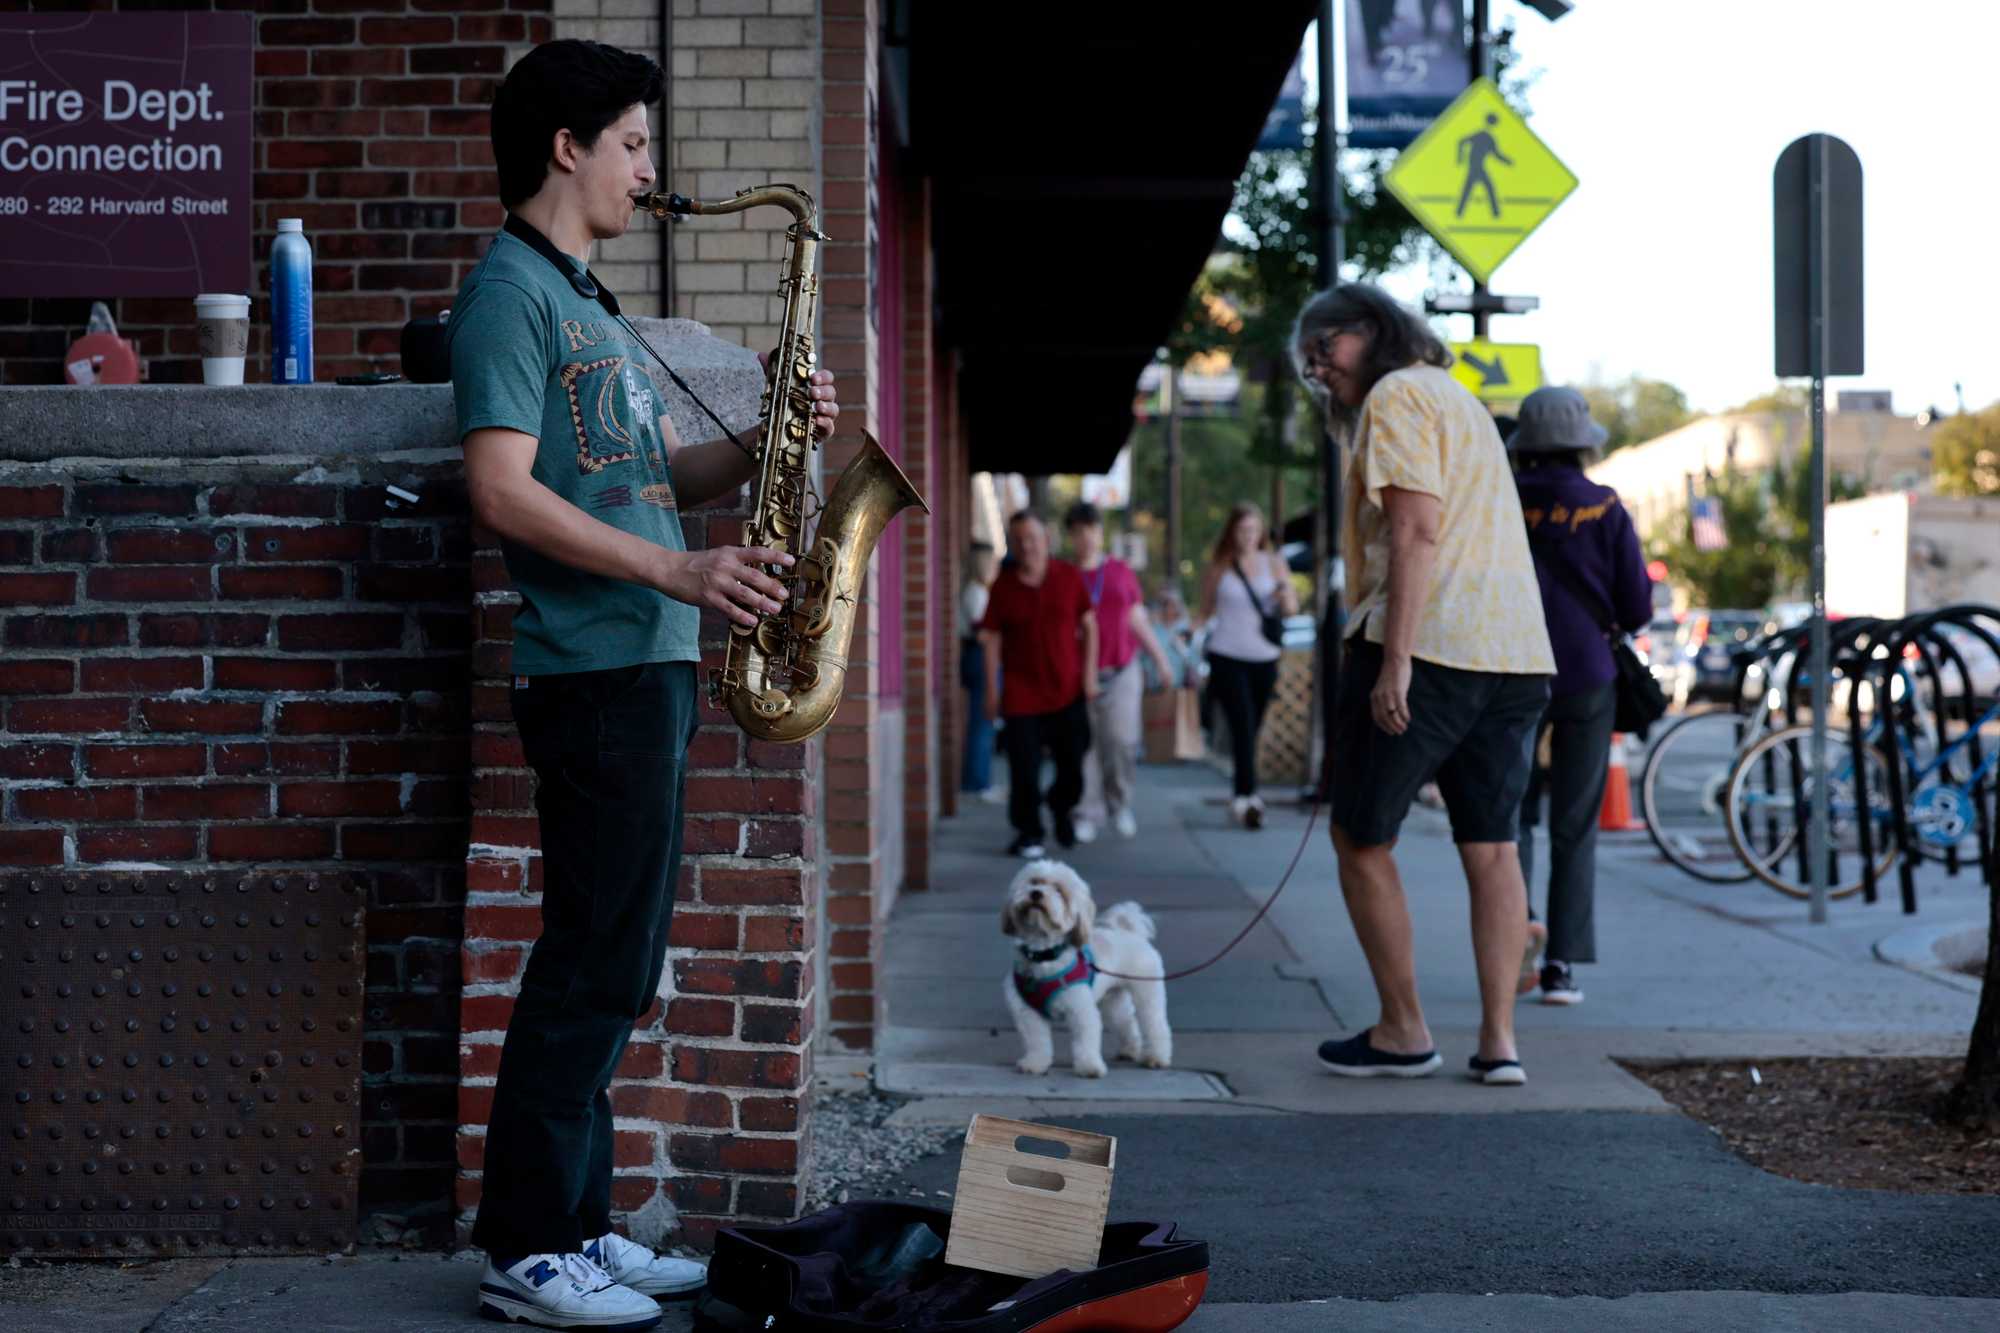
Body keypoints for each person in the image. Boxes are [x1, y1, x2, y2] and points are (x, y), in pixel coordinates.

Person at [448, 40, 841, 1331]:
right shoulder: (511, 294)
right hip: (595, 668)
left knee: (619, 962)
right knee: (586, 964)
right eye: (632, 143)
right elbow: (501, 491)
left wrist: (776, 421)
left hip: (645, 666)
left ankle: (577, 1224)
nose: (649, 170)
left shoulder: (589, 304)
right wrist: (679, 580)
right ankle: (522, 1247)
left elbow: (656, 483)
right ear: (567, 149)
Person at [1294, 283, 1555, 1088]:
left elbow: (1415, 528)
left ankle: (1404, 1030)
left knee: (1360, 835)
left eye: (1324, 346)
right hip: (1514, 650)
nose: (1315, 367)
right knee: (1492, 842)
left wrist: (1396, 660)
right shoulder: (1460, 400)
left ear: (1371, 330)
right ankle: (1499, 1042)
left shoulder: (1397, 395)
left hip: (1432, 644)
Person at [1509, 387, 1653, 1006]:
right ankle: (1561, 966)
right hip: (1589, 675)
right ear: (1581, 442)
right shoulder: (1605, 507)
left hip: (1510, 672)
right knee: (1574, 824)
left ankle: (1511, 951)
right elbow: (1638, 608)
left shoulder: (1500, 502)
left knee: (1509, 819)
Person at [979, 510, 1097, 858]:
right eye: (1019, 540)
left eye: (1032, 538)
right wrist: (991, 691)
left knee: (1073, 766)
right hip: (1021, 694)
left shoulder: (1069, 577)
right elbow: (991, 639)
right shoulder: (1003, 586)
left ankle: (1061, 809)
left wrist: (1089, 677)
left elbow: (1090, 626)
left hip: (1068, 690)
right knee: (1024, 769)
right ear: (1012, 545)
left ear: (1046, 540)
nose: (1026, 546)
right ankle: (1029, 831)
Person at [1066, 502, 1175, 841]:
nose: (1087, 538)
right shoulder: (1066, 576)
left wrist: (1161, 659)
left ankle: (1120, 802)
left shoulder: (1120, 572)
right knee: (1085, 747)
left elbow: (1136, 619)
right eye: (1080, 532)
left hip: (1123, 668)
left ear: (1101, 533)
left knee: (1122, 741)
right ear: (1072, 536)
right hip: (1079, 674)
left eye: (1093, 530)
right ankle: (1087, 811)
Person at [1197, 502, 1298, 829]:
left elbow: (1292, 609)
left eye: (1253, 530)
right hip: (1226, 654)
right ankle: (1248, 796)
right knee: (1242, 722)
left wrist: (1284, 597)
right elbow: (1204, 612)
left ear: (1261, 533)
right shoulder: (1220, 566)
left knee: (1252, 727)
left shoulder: (1274, 563)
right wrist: (1185, 636)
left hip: (1264, 657)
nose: (1247, 536)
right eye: (1242, 530)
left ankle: (1242, 790)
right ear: (1232, 532)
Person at [959, 541, 1002, 803]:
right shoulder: (976, 592)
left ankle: (981, 780)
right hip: (978, 655)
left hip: (978, 654)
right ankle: (977, 782)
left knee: (984, 721)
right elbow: (983, 632)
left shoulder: (977, 590)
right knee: (982, 722)